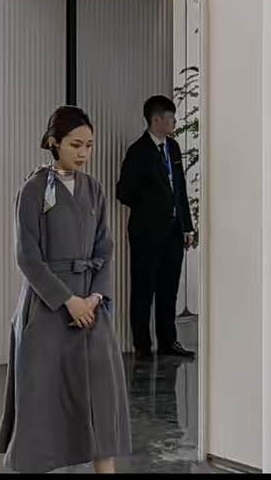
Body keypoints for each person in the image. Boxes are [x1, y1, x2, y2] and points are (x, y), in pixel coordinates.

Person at [0, 105, 131, 474]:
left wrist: (95, 298)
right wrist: (68, 301)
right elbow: (27, 257)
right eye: (75, 145)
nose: (84, 153)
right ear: (54, 142)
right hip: (47, 308)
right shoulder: (33, 190)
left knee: (102, 399)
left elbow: (105, 248)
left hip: (92, 308)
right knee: (42, 402)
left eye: (89, 145)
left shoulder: (94, 189)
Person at [116, 95, 195, 361]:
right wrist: (151, 206)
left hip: (173, 231)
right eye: (170, 118)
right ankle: (142, 345)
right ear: (157, 119)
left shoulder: (173, 148)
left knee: (168, 289)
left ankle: (168, 342)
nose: (174, 122)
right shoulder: (138, 152)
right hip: (147, 233)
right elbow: (123, 192)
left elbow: (180, 189)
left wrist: (187, 226)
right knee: (143, 289)